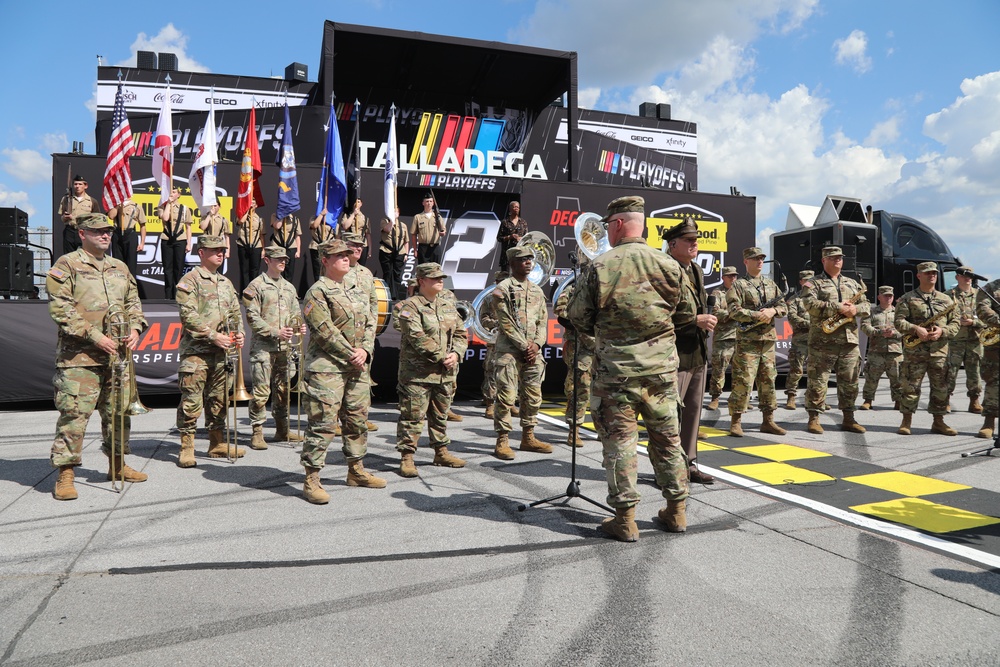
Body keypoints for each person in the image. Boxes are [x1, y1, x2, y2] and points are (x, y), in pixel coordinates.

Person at [567, 195, 689, 541]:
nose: (607, 232)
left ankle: (625, 519)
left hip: (615, 374)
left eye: (608, 226)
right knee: (667, 440)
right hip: (661, 373)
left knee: (620, 444)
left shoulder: (600, 267)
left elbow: (578, 318)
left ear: (618, 224)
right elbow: (683, 315)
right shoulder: (669, 266)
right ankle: (677, 511)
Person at [46, 213, 148, 500]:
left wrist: (137, 329)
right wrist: (95, 336)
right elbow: (60, 309)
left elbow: (133, 303)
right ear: (82, 234)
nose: (105, 235)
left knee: (118, 415)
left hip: (117, 358)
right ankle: (65, 474)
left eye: (108, 231)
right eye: (97, 231)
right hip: (80, 358)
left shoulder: (119, 267)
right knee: (74, 416)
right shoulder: (67, 265)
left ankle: (117, 465)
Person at [300, 239, 386, 504]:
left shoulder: (355, 289)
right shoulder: (317, 292)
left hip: (358, 367)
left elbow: (371, 321)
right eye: (339, 255)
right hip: (328, 369)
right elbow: (325, 332)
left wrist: (366, 351)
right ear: (325, 260)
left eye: (348, 254)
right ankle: (311, 479)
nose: (347, 258)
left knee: (357, 420)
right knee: (323, 423)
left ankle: (356, 470)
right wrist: (353, 353)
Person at [175, 235, 246, 466]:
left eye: (222, 249)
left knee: (219, 399)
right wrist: (214, 336)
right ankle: (187, 447)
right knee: (192, 400)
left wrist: (239, 333)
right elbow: (188, 316)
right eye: (215, 249)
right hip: (197, 352)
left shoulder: (226, 283)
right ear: (201, 253)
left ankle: (216, 443)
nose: (220, 253)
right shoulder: (190, 280)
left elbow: (235, 313)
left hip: (222, 353)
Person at [394, 262, 469, 476]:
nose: (440, 281)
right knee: (412, 417)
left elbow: (461, 334)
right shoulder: (411, 307)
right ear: (421, 281)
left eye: (441, 277)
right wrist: (443, 355)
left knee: (440, 415)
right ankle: (407, 457)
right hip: (417, 375)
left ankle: (441, 452)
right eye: (435, 277)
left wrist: (456, 354)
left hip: (444, 374)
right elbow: (417, 338)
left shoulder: (447, 306)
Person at [664, 217, 717, 484]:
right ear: (672, 244)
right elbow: (657, 315)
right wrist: (693, 321)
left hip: (696, 351)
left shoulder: (695, 269)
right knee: (669, 415)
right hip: (673, 353)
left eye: (696, 239)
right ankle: (668, 470)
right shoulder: (664, 269)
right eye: (688, 240)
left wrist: (705, 318)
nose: (695, 243)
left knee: (693, 412)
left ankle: (689, 464)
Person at [491, 246, 553, 459]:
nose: (528, 262)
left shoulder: (537, 290)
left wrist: (537, 345)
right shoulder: (503, 288)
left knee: (533, 396)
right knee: (506, 395)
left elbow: (543, 321)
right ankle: (502, 441)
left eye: (530, 259)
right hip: (509, 351)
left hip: (533, 353)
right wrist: (524, 345)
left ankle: (528, 437)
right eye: (522, 259)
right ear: (512, 263)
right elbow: (505, 321)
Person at [244, 245, 307, 449]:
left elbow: (295, 314)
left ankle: (282, 429)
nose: (282, 262)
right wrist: (274, 331)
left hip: (285, 348)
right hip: (264, 347)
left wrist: (299, 327)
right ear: (267, 260)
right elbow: (252, 317)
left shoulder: (289, 287)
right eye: (278, 258)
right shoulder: (257, 286)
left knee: (283, 390)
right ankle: (257, 431)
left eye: (285, 259)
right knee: (262, 391)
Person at [801, 247, 870, 434]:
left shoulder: (852, 283)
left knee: (850, 382)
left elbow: (867, 305)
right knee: (818, 381)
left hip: (849, 341)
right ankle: (814, 418)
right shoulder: (813, 283)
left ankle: (849, 418)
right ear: (824, 260)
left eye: (839, 258)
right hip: (823, 341)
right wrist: (837, 307)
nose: (837, 260)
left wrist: (856, 310)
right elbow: (809, 305)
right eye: (833, 258)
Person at [725, 247, 788, 437]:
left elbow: (783, 306)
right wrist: (756, 315)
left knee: (768, 379)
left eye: (761, 258)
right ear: (746, 262)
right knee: (743, 380)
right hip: (747, 341)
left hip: (768, 340)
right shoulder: (738, 286)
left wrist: (773, 312)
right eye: (755, 259)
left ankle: (768, 420)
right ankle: (736, 421)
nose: (759, 261)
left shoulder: (771, 284)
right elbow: (733, 311)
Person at [894, 262, 959, 436]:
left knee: (941, 387)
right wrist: (916, 329)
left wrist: (942, 331)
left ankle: (939, 422)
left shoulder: (946, 300)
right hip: (915, 352)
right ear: (919, 276)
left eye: (934, 273)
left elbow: (956, 323)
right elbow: (899, 322)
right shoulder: (907, 298)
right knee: (910, 386)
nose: (932, 275)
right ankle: (906, 421)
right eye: (927, 273)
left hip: (940, 352)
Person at [343, 231, 382, 432]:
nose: (358, 248)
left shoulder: (366, 273)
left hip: (364, 337)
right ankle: (337, 420)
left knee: (363, 377)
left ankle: (361, 415)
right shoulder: (338, 271)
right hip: (345, 337)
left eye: (361, 245)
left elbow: (374, 304)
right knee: (342, 378)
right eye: (353, 245)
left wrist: (371, 330)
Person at [554, 271, 594, 447]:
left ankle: (603, 428)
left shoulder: (607, 288)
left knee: (606, 389)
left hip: (604, 346)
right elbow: (561, 312)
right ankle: (574, 430)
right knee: (580, 387)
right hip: (580, 346)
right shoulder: (573, 289)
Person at [946, 266, 985, 414]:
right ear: (957, 277)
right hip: (954, 341)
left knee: (974, 372)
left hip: (974, 340)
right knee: (950, 371)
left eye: (970, 275)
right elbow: (942, 318)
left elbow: (988, 319)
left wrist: (973, 322)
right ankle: (945, 400)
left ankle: (974, 401)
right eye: (964, 275)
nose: (967, 278)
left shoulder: (980, 295)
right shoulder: (949, 295)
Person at [859, 286, 903, 410]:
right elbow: (864, 326)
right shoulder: (872, 312)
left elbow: (905, 329)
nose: (888, 298)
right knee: (871, 377)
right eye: (885, 296)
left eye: (890, 296)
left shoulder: (899, 312)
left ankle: (898, 401)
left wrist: (894, 333)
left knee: (898, 378)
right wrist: (879, 332)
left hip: (895, 351)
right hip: (876, 351)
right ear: (879, 297)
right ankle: (868, 400)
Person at [707, 266, 739, 411]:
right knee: (718, 370)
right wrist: (735, 314)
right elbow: (715, 312)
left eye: (734, 276)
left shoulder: (740, 293)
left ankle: (738, 399)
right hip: (723, 339)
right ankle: (715, 398)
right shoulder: (717, 293)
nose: (733, 278)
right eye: (729, 276)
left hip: (740, 338)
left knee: (740, 371)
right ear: (723, 278)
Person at [481, 271, 510, 419]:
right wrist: (496, 323)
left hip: (511, 338)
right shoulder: (488, 298)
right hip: (494, 339)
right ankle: (490, 404)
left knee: (510, 371)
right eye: (501, 281)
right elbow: (483, 319)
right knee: (491, 371)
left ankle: (509, 404)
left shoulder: (513, 296)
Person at [783, 270, 813, 410]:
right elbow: (792, 318)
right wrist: (811, 324)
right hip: (800, 341)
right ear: (801, 282)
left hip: (818, 341)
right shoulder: (794, 300)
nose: (809, 283)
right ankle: (791, 396)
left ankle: (816, 399)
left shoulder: (820, 299)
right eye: (806, 280)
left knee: (818, 372)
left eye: (811, 280)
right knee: (796, 370)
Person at [157, 186, 193, 300]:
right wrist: (168, 203)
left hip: (180, 240)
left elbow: (188, 227)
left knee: (178, 269)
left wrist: (188, 243)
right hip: (167, 239)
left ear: (179, 194)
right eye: (170, 192)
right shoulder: (162, 206)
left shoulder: (184, 208)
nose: (171, 194)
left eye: (174, 192)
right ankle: (168, 296)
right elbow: (165, 218)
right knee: (167, 269)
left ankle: (178, 295)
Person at [975, 276, 1000, 439]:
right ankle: (989, 422)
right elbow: (982, 309)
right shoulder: (990, 288)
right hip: (996, 342)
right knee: (994, 381)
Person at [106, 196, 147, 287]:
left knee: (131, 265)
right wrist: (117, 206)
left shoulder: (136, 206)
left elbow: (143, 225)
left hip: (130, 234)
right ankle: (118, 288)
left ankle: (131, 289)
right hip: (117, 234)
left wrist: (142, 243)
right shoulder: (115, 205)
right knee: (117, 265)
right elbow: (111, 216)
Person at [58, 174, 101, 256]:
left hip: (84, 232)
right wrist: (64, 217)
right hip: (70, 231)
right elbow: (62, 216)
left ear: (85, 186)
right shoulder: (66, 199)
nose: (77, 186)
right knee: (69, 257)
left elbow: (96, 219)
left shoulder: (92, 201)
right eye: (75, 184)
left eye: (80, 184)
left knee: (85, 256)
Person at [379, 206, 409, 300]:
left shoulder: (403, 225)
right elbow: (387, 230)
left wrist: (406, 254)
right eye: (393, 212)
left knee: (397, 274)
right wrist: (392, 220)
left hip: (400, 252)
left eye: (396, 212)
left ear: (399, 214)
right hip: (386, 250)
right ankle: (386, 295)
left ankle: (396, 296)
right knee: (387, 273)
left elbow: (406, 241)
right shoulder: (384, 221)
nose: (395, 213)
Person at [411, 192, 446, 264]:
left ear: (433, 203)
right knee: (424, 271)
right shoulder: (418, 217)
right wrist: (415, 250)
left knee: (436, 271)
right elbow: (414, 234)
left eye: (431, 201)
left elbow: (443, 230)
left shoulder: (438, 216)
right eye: (427, 201)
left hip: (435, 247)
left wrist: (443, 233)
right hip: (423, 248)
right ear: (423, 203)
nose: (429, 203)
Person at [235, 207, 264, 293]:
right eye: (250, 202)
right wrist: (246, 211)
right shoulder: (241, 215)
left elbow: (262, 235)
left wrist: (263, 248)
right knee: (244, 270)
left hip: (256, 245)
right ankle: (245, 292)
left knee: (254, 270)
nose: (252, 204)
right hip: (243, 244)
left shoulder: (259, 219)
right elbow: (240, 222)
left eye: (254, 202)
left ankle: (253, 292)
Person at [308, 209, 337, 288]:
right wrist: (321, 214)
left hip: (329, 248)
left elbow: (337, 236)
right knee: (318, 270)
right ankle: (319, 288)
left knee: (329, 269)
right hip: (316, 246)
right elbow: (314, 226)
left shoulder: (333, 219)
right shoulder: (314, 218)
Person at [269, 212, 301, 282]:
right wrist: (282, 216)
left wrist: (298, 251)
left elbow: (297, 236)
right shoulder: (275, 215)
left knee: (289, 272)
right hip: (277, 246)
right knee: (276, 269)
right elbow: (277, 226)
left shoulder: (295, 219)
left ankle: (287, 290)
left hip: (291, 247)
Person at [497, 201, 527, 272]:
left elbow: (527, 238)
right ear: (510, 209)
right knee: (506, 279)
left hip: (520, 257)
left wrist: (521, 239)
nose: (516, 209)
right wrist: (509, 237)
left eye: (518, 207)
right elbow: (499, 238)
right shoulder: (505, 222)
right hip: (507, 257)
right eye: (514, 207)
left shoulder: (523, 222)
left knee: (518, 279)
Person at [339, 198, 371, 263]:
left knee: (361, 266)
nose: (357, 204)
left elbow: (367, 234)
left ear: (361, 204)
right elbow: (345, 226)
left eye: (358, 202)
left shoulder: (365, 218)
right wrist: (353, 214)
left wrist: (369, 249)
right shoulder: (347, 215)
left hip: (362, 244)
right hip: (350, 244)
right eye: (355, 202)